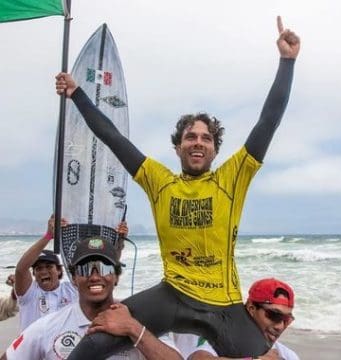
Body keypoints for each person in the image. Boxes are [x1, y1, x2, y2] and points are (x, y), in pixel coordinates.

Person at [56, 16, 300, 359]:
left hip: (224, 305)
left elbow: (268, 121)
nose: (197, 142)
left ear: (215, 149)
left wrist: (287, 62)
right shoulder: (159, 180)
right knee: (94, 340)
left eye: (205, 138)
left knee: (265, 357)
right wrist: (77, 93)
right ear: (178, 147)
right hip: (172, 295)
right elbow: (112, 137)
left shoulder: (233, 177)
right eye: (190, 137)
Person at [1, 237, 183, 360]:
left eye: (104, 268)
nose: (95, 277)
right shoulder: (49, 326)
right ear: (74, 278)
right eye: (85, 269)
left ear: (116, 277)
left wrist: (132, 329)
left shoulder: (141, 321)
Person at [174, 278, 299, 360]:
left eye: (286, 319)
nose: (280, 326)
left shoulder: (287, 356)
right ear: (251, 308)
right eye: (274, 315)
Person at [14, 215, 78, 331]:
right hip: (32, 348)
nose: (43, 271)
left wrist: (118, 245)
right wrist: (48, 236)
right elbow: (21, 269)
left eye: (49, 266)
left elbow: (97, 272)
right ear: (33, 273)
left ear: (59, 270)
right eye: (38, 268)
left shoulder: (71, 289)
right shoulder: (30, 293)